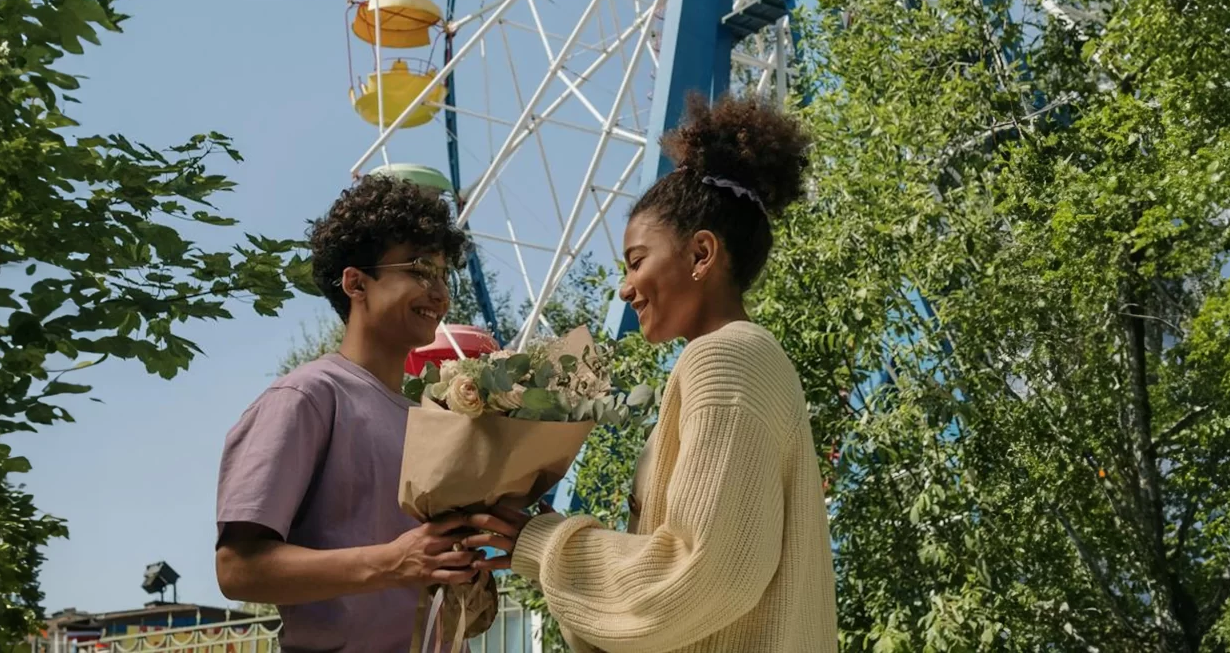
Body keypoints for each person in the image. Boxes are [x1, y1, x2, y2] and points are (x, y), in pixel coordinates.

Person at [466, 95, 837, 652]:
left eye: (637, 261)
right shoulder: (747, 360)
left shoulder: (725, 358)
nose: (625, 286)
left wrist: (545, 543)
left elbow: (705, 574)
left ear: (701, 254)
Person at [214, 174, 480, 652]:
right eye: (420, 269)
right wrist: (395, 562)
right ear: (356, 282)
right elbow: (237, 569)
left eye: (444, 275)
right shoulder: (308, 397)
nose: (439, 293)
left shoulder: (431, 419)